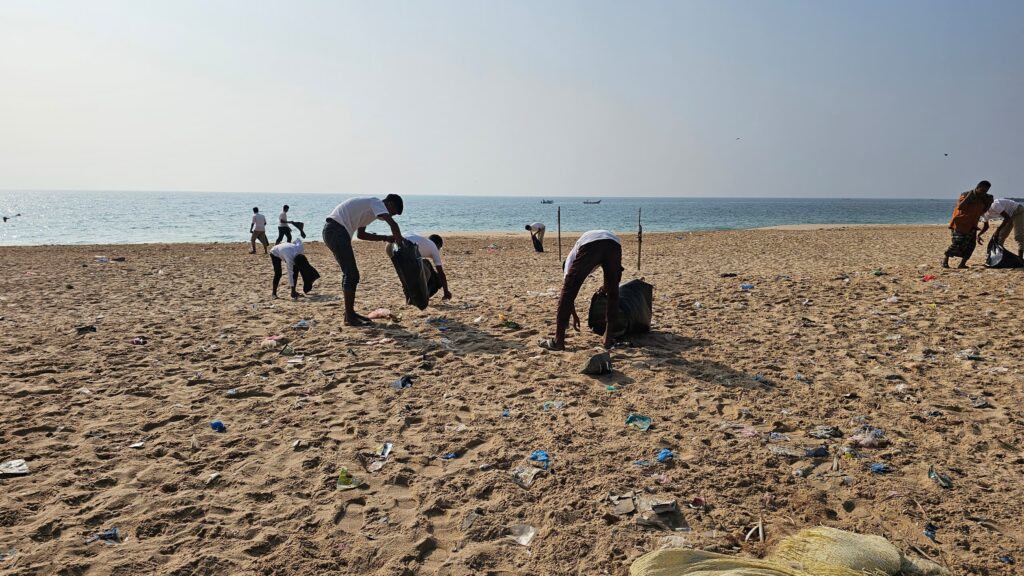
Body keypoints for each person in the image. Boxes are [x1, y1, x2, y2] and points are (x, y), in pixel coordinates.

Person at [322, 195, 404, 326]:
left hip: (334, 231)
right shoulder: (376, 202)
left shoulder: (370, 211)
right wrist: (401, 246)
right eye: (392, 213)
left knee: (350, 274)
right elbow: (393, 224)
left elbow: (361, 235)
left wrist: (385, 238)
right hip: (336, 231)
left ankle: (350, 314)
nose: (390, 216)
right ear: (389, 203)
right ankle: (349, 316)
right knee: (352, 274)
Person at [539, 230, 622, 351]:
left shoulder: (569, 262)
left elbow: (568, 292)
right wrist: (606, 287)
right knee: (614, 291)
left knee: (568, 290)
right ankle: (607, 339)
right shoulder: (579, 252)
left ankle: (558, 341)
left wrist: (572, 313)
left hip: (591, 244)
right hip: (614, 243)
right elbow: (613, 279)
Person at [943, 180, 994, 268]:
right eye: (982, 190)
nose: (983, 193)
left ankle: (962, 264)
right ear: (977, 187)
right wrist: (969, 197)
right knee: (957, 243)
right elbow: (960, 207)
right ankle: (945, 260)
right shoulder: (966, 194)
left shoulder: (984, 198)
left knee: (971, 245)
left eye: (985, 191)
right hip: (960, 223)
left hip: (972, 224)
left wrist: (989, 203)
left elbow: (982, 212)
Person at [404, 232, 452, 300]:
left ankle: (411, 296)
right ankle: (422, 297)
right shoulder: (434, 247)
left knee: (426, 262)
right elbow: (441, 274)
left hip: (397, 250)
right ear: (437, 245)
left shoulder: (422, 242)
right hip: (406, 257)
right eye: (439, 248)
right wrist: (446, 291)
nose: (438, 251)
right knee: (438, 279)